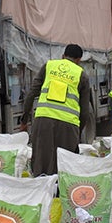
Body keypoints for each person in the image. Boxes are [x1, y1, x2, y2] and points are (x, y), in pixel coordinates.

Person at [18, 43, 95, 176]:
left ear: (63, 56)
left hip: (43, 121)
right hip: (68, 125)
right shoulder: (81, 75)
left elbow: (31, 94)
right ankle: (59, 194)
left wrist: (24, 120)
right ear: (79, 60)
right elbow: (84, 112)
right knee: (64, 165)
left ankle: (42, 192)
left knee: (41, 161)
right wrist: (78, 131)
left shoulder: (48, 66)